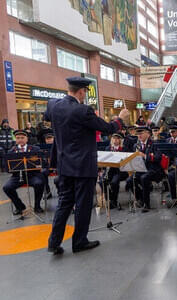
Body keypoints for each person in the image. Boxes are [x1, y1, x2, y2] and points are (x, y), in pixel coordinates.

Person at [46, 76, 129, 255]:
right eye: (85, 93)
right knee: (83, 204)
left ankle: (54, 242)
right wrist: (120, 119)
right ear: (81, 91)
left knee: (64, 203)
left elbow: (49, 116)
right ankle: (79, 242)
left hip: (64, 164)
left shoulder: (53, 105)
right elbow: (108, 128)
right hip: (83, 166)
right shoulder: (83, 111)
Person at [3, 129, 46, 215]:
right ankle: (20, 207)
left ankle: (37, 206)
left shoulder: (35, 149)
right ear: (15, 139)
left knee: (39, 183)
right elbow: (7, 168)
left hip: (33, 175)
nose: (20, 140)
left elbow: (43, 162)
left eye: (22, 137)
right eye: (18, 138)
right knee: (7, 187)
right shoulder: (11, 151)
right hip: (17, 176)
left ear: (26, 139)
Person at [125, 126, 163, 212]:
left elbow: (158, 158)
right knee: (129, 180)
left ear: (148, 134)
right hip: (141, 169)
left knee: (144, 178)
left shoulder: (155, 144)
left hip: (154, 170)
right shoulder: (136, 145)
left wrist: (145, 156)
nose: (139, 135)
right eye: (138, 134)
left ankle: (147, 204)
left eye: (141, 133)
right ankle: (140, 198)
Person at [98, 133, 128, 209]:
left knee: (114, 182)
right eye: (114, 138)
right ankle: (109, 199)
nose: (115, 140)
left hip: (120, 171)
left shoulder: (123, 149)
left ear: (120, 140)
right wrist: (102, 171)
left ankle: (114, 200)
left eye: (117, 139)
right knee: (102, 181)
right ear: (111, 139)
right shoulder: (108, 148)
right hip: (109, 171)